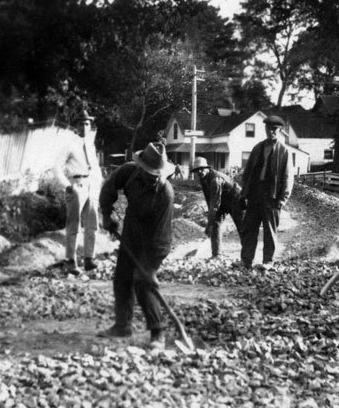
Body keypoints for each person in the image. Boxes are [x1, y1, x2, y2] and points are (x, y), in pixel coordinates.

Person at [98, 142, 175, 347]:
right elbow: (108, 189)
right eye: (148, 172)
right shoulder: (128, 172)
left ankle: (157, 332)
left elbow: (160, 236)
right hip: (132, 230)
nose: (152, 176)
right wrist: (107, 214)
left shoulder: (165, 193)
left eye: (156, 173)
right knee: (122, 278)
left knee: (142, 282)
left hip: (155, 240)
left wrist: (150, 269)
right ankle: (123, 326)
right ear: (141, 166)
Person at [238, 115, 292, 270]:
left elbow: (288, 176)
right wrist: (244, 193)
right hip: (255, 194)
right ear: (265, 129)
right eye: (269, 128)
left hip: (272, 196)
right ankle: (246, 260)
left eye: (274, 129)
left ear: (280, 130)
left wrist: (283, 199)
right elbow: (247, 172)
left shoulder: (284, 151)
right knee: (249, 229)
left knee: (270, 231)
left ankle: (268, 261)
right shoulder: (258, 148)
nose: (271, 132)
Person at [54, 108, 102, 275]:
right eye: (80, 123)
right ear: (76, 126)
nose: (83, 126)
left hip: (90, 185)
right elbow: (57, 167)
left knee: (92, 224)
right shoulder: (70, 145)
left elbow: (95, 166)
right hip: (77, 185)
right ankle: (70, 261)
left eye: (86, 123)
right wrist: (67, 185)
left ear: (90, 126)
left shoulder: (90, 144)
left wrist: (98, 183)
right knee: (73, 225)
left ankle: (89, 259)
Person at [190, 157, 245, 258]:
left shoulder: (215, 179)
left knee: (242, 227)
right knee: (215, 224)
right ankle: (216, 254)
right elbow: (209, 199)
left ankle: (247, 258)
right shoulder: (203, 178)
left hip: (235, 199)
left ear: (207, 168)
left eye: (202, 169)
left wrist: (209, 223)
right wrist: (211, 221)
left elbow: (215, 203)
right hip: (222, 201)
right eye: (197, 170)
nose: (200, 171)